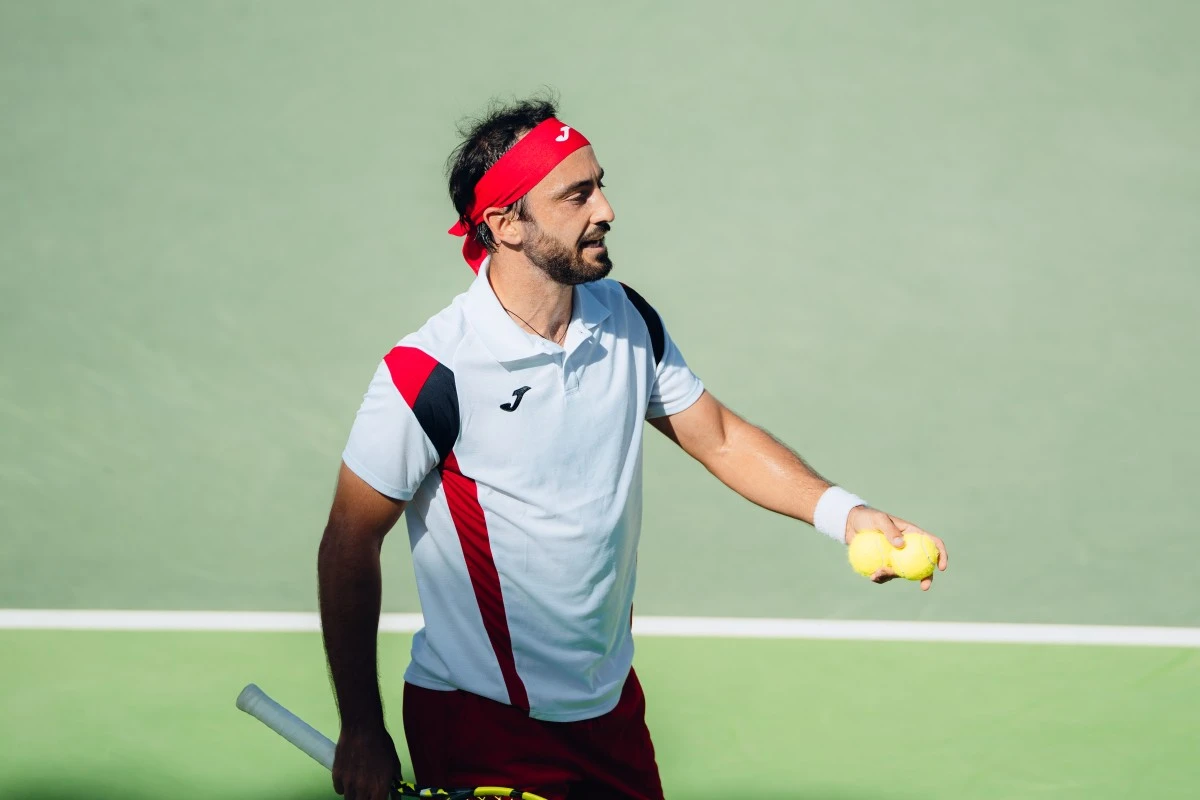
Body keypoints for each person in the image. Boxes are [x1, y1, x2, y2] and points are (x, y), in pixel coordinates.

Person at [317, 97, 948, 800]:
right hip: (484, 723)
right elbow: (348, 542)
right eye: (577, 195)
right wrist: (363, 727)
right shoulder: (430, 372)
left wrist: (846, 514)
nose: (607, 209)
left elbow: (721, 437)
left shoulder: (625, 318)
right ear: (504, 226)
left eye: (601, 184)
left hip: (610, 711)